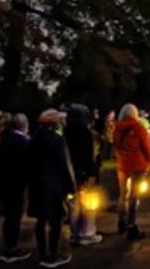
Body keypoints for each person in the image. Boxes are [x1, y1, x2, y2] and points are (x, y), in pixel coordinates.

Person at [28, 109, 76, 268]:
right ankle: (53, 255)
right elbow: (64, 165)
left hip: (37, 185)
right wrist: (70, 187)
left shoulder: (32, 140)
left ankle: (43, 252)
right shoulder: (57, 140)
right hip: (54, 186)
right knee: (56, 221)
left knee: (40, 220)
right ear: (54, 123)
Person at [0, 114, 32, 263]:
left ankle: (9, 245)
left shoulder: (4, 139)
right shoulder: (21, 142)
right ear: (24, 125)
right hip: (16, 184)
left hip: (5, 183)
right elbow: (26, 164)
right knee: (14, 216)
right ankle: (11, 249)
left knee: (10, 216)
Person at [113, 103, 150, 240]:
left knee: (122, 194)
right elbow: (148, 148)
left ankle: (120, 223)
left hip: (123, 165)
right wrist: (149, 163)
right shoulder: (138, 127)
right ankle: (132, 227)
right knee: (133, 197)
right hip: (138, 165)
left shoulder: (117, 128)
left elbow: (116, 147)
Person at [63, 104, 102, 246]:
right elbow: (88, 156)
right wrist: (91, 174)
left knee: (73, 206)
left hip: (70, 175)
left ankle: (75, 234)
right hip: (85, 174)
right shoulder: (85, 133)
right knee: (89, 204)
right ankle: (87, 234)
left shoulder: (65, 132)